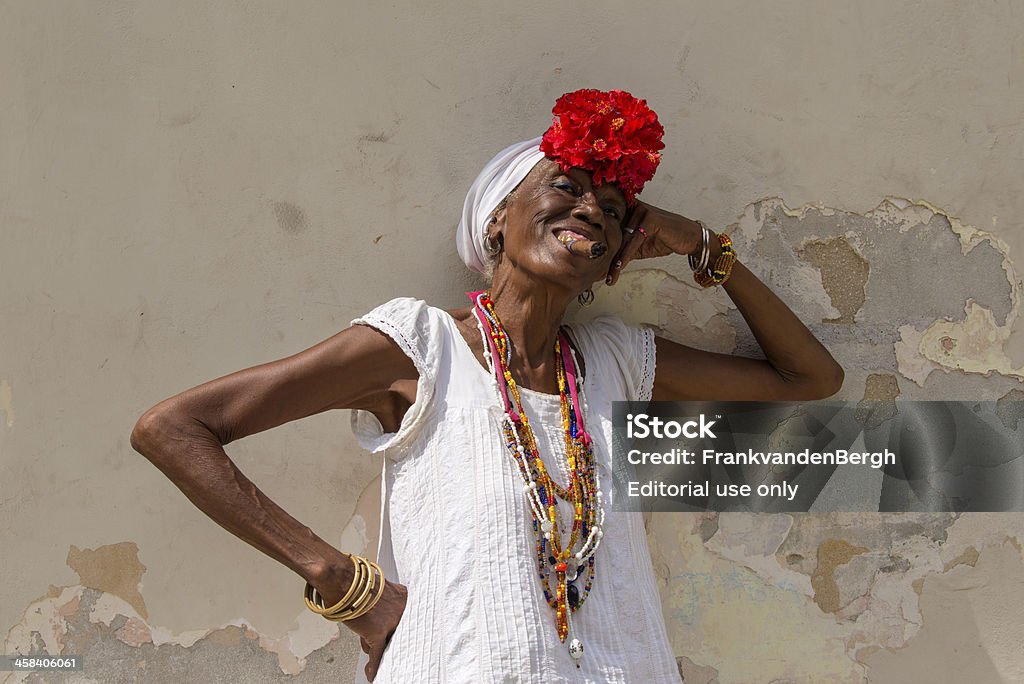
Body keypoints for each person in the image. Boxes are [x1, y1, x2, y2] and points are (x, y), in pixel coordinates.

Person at [131, 88, 843, 683]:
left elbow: (809, 378)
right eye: (565, 187)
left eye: (613, 209)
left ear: (614, 259)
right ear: (499, 218)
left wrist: (705, 248)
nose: (592, 210)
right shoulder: (421, 346)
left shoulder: (616, 361)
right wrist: (343, 581)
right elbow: (172, 428)